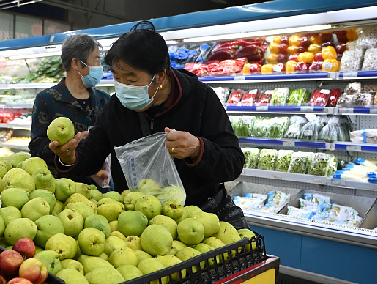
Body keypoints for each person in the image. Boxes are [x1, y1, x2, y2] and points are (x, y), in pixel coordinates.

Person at [48, 21, 248, 228]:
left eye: (131, 80)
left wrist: (197, 149)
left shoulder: (201, 99)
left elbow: (232, 164)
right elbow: (91, 155)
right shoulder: (116, 108)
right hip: (137, 223)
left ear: (160, 76)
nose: (123, 87)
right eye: (117, 79)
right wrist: (68, 158)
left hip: (198, 221)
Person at [29, 33, 111, 189]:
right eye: (96, 59)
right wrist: (71, 149)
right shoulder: (47, 99)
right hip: (62, 190)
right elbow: (37, 148)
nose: (100, 66)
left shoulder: (104, 100)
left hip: (101, 191)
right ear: (76, 63)